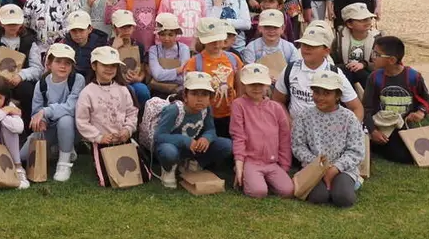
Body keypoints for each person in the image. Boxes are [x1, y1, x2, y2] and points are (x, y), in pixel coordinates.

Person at [291, 70, 366, 208]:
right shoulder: (304, 115)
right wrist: (317, 164)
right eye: (317, 92)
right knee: (318, 197)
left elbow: (356, 150)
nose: (320, 97)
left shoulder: (349, 118)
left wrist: (335, 168)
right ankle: (328, 186)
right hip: (314, 166)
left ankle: (351, 182)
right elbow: (298, 146)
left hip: (342, 168)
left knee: (344, 198)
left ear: (338, 96)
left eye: (326, 93)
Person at [153, 72, 233, 189]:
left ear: (210, 97)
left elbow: (211, 129)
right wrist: (185, 141)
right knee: (169, 152)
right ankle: (168, 168)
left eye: (205, 94)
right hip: (172, 146)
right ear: (185, 95)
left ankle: (194, 164)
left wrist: (206, 138)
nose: (199, 99)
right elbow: (159, 136)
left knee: (227, 145)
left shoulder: (206, 109)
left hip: (193, 148)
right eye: (194, 94)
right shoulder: (174, 110)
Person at [272, 22, 364, 122]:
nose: (307, 48)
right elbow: (277, 101)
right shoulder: (290, 69)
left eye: (313, 45)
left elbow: (357, 108)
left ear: (326, 51)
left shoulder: (335, 73)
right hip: (295, 131)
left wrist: (349, 132)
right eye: (304, 44)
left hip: (327, 131)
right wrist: (288, 123)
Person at [364, 35, 429, 164]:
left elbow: (426, 99)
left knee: (407, 157)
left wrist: (421, 112)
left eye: (377, 54)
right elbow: (366, 108)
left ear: (391, 60)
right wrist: (373, 131)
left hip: (404, 127)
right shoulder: (374, 78)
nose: (372, 58)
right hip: (382, 126)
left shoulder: (413, 77)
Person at [76, 46, 139, 188]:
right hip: (101, 141)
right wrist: (99, 137)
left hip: (122, 137)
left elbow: (132, 112)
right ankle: (97, 161)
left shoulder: (123, 89)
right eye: (105, 65)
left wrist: (127, 130)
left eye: (113, 65)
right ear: (94, 66)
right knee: (107, 181)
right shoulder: (87, 93)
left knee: (140, 175)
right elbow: (82, 121)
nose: (109, 69)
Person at [22, 43, 85, 182]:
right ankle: (59, 149)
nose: (63, 66)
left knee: (65, 119)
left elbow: (71, 106)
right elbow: (36, 112)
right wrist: (41, 121)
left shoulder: (77, 80)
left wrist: (46, 111)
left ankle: (63, 163)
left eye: (67, 63)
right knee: (23, 156)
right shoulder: (42, 84)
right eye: (58, 62)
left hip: (71, 129)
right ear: (49, 64)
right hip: (49, 128)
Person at [230, 63, 293, 199]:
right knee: (259, 192)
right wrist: (239, 165)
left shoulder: (276, 107)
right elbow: (238, 136)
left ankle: (263, 179)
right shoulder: (238, 105)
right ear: (244, 84)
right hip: (251, 160)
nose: (256, 88)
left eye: (260, 84)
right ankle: (247, 174)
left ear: (267, 85)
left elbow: (284, 138)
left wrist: (284, 166)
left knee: (288, 190)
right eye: (252, 84)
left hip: (272, 162)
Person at [182, 19, 241, 137]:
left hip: (230, 113)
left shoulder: (233, 59)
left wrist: (238, 103)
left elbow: (239, 83)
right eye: (211, 41)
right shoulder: (194, 63)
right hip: (205, 115)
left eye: (219, 40)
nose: (216, 44)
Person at [332, 3, 381, 86]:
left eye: (368, 18)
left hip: (369, 76)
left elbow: (381, 64)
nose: (367, 21)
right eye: (361, 19)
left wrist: (364, 64)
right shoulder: (339, 38)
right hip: (345, 75)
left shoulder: (378, 39)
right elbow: (332, 59)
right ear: (349, 24)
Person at [58, 9, 109, 83]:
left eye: (81, 30)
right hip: (70, 82)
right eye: (74, 30)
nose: (77, 34)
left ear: (90, 29)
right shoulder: (63, 44)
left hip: (95, 83)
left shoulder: (101, 44)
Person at [147, 13, 189, 94]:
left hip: (179, 91)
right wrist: (177, 71)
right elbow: (157, 75)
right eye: (162, 35)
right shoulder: (153, 50)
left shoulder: (184, 49)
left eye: (170, 35)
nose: (166, 39)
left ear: (176, 34)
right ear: (158, 35)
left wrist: (163, 74)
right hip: (157, 90)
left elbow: (184, 77)